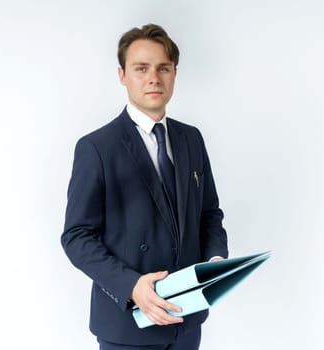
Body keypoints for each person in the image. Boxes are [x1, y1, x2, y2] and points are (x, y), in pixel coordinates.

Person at [61, 23, 228, 350]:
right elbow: (77, 236)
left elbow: (210, 213)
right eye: (142, 68)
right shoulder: (96, 147)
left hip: (187, 319)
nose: (154, 78)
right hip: (128, 325)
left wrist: (216, 259)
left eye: (163, 68)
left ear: (174, 74)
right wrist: (132, 286)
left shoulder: (191, 138)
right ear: (122, 75)